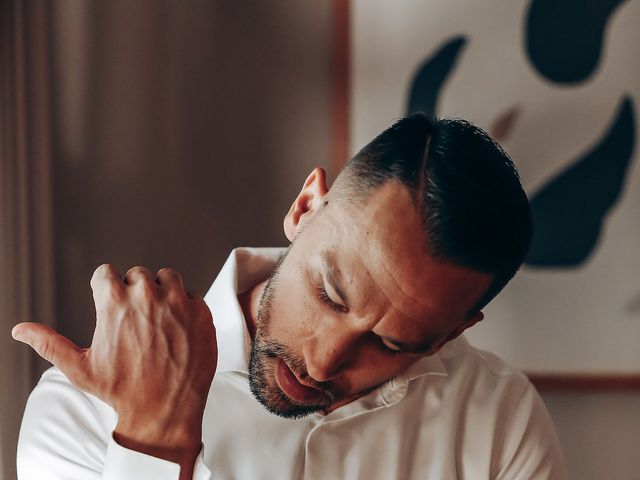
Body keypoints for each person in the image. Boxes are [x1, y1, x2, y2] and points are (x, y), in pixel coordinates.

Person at [13, 113, 568, 479]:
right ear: (305, 207)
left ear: (453, 332)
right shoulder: (82, 408)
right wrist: (153, 442)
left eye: (389, 343)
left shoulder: (499, 420)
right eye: (330, 294)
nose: (324, 362)